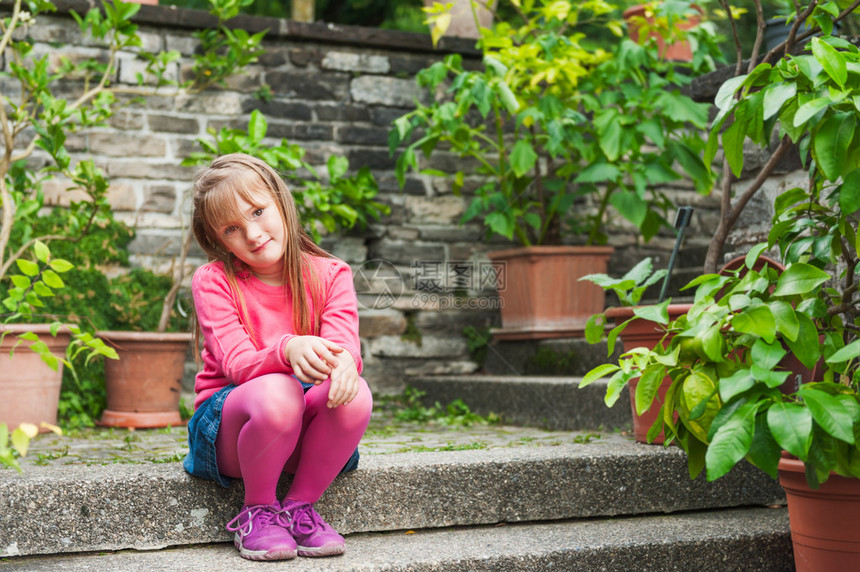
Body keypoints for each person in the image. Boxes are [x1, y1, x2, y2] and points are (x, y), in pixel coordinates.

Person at [182, 153, 373, 561]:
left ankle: (300, 507)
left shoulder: (331, 274)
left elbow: (344, 345)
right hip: (231, 435)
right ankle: (258, 510)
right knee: (279, 391)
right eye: (232, 228)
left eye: (258, 211)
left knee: (356, 392)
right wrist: (288, 347)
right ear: (219, 239)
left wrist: (343, 365)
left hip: (302, 438)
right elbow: (236, 362)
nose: (252, 234)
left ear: (280, 201)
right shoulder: (214, 281)